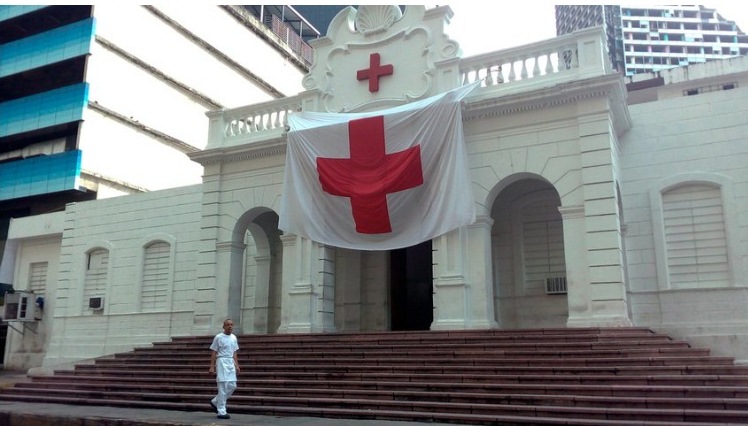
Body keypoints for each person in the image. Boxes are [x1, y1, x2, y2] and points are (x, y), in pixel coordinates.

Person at [208, 318, 240, 419]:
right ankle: (221, 411)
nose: (230, 326)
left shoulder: (234, 337)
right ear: (223, 326)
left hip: (230, 362)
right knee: (222, 387)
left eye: (231, 325)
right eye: (228, 325)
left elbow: (234, 352)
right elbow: (214, 352)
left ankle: (215, 401)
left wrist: (236, 365)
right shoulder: (218, 337)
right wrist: (212, 366)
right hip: (221, 361)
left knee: (232, 385)